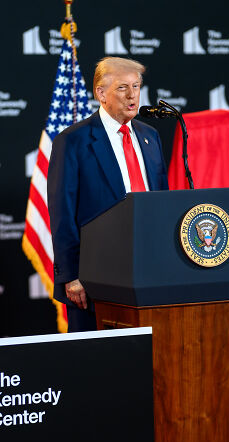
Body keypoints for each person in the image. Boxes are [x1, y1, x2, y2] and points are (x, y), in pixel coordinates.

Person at [47, 56, 169, 332]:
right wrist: (72, 275)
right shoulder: (73, 141)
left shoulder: (150, 137)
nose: (132, 96)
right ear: (101, 94)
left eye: (136, 87)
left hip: (151, 269)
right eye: (123, 88)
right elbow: (62, 212)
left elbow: (162, 201)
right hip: (95, 276)